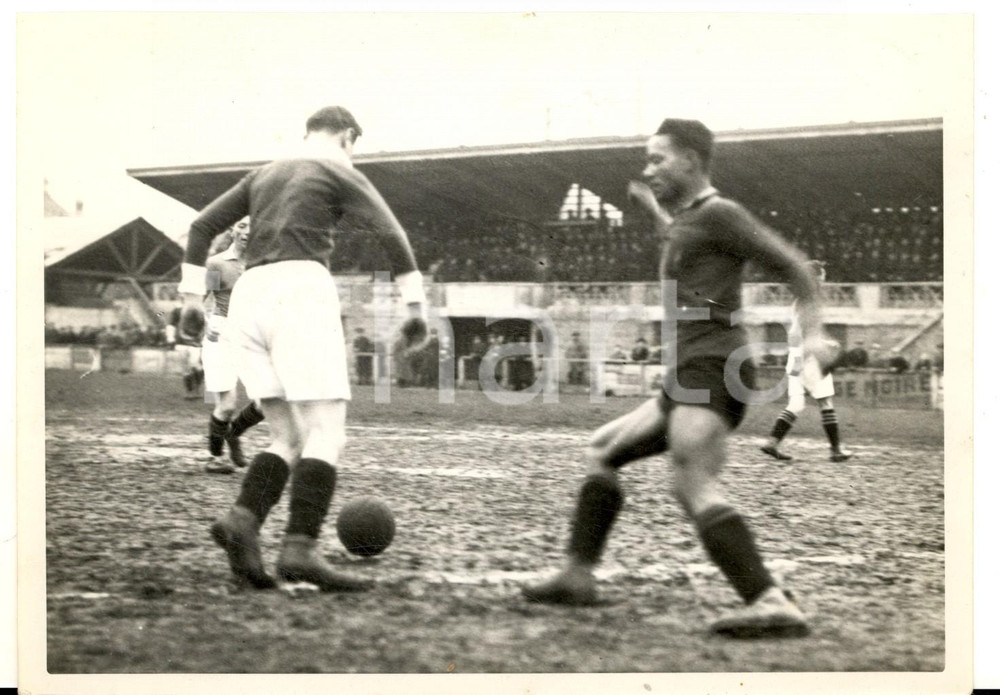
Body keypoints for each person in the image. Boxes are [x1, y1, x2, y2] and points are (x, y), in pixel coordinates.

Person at [522, 118, 835, 637]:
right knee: (602, 451)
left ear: (690, 159)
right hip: (687, 371)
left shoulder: (720, 213)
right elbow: (678, 238)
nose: (648, 168)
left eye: (657, 158)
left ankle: (770, 600)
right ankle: (577, 575)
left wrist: (816, 335)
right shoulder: (690, 220)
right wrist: (651, 207)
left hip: (715, 364)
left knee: (691, 479)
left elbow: (795, 267)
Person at [177, 105, 428, 591]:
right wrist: (415, 308)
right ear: (348, 137)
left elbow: (202, 226)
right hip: (300, 290)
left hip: (249, 294)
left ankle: (242, 522)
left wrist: (189, 299)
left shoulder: (264, 174)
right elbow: (391, 232)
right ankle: (300, 550)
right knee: (326, 433)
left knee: (287, 436)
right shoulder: (337, 168)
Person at [760, 261, 852, 463]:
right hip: (809, 356)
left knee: (796, 403)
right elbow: (804, 332)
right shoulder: (810, 300)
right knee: (825, 401)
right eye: (822, 277)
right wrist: (819, 349)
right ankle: (836, 450)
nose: (823, 281)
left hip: (796, 353)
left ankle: (772, 443)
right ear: (814, 278)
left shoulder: (799, 300)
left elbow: (798, 332)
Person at [201, 218, 266, 475]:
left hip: (252, 335)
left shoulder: (264, 265)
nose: (247, 231)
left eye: (253, 226)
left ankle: (233, 434)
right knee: (227, 405)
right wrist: (207, 323)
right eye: (241, 226)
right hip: (222, 333)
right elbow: (202, 298)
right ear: (231, 230)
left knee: (266, 401)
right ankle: (215, 458)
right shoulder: (217, 263)